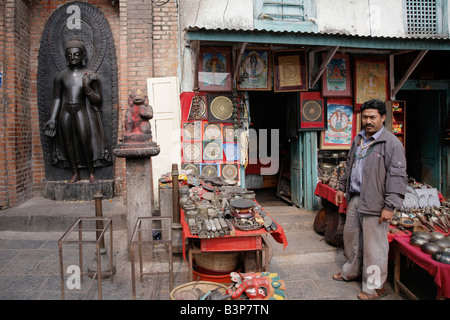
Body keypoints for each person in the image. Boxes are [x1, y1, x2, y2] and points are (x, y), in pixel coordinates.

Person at [333, 99, 407, 300]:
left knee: (375, 248)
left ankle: (373, 287)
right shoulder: (358, 140)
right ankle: (352, 272)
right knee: (352, 240)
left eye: (372, 117)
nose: (368, 121)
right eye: (365, 117)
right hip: (355, 198)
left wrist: (390, 206)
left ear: (383, 118)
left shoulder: (391, 144)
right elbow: (349, 166)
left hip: (377, 202)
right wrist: (341, 188)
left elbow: (398, 178)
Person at [45, 35, 104, 183]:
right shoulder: (60, 76)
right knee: (68, 142)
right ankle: (75, 172)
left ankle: (91, 173)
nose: (73, 57)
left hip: (81, 109)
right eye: (70, 55)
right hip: (65, 110)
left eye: (76, 54)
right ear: (66, 57)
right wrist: (52, 119)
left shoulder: (91, 75)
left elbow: (98, 100)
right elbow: (57, 98)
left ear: (83, 55)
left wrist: (87, 87)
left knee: (85, 140)